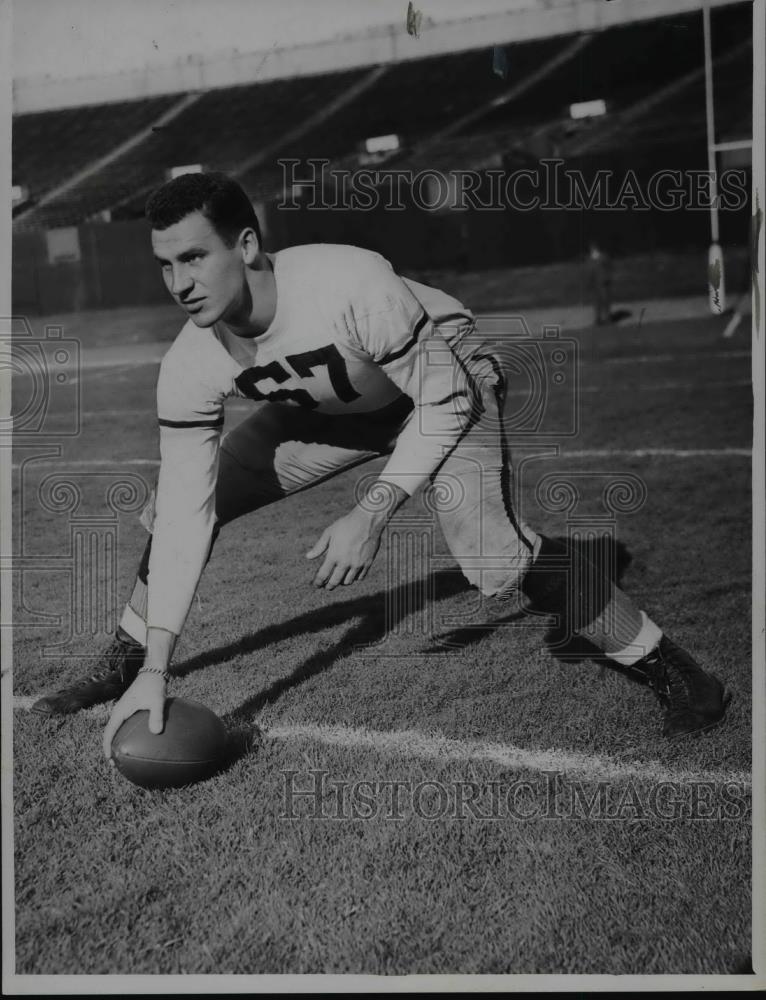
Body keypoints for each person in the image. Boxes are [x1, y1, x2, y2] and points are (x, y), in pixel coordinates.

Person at [31, 172, 730, 745]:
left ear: (245, 245)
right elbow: (187, 515)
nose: (179, 283)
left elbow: (447, 399)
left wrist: (373, 510)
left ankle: (675, 670)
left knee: (489, 549)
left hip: (442, 383)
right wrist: (160, 667)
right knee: (174, 506)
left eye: (193, 258)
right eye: (164, 266)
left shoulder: (347, 283)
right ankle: (129, 661)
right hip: (334, 413)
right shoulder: (189, 361)